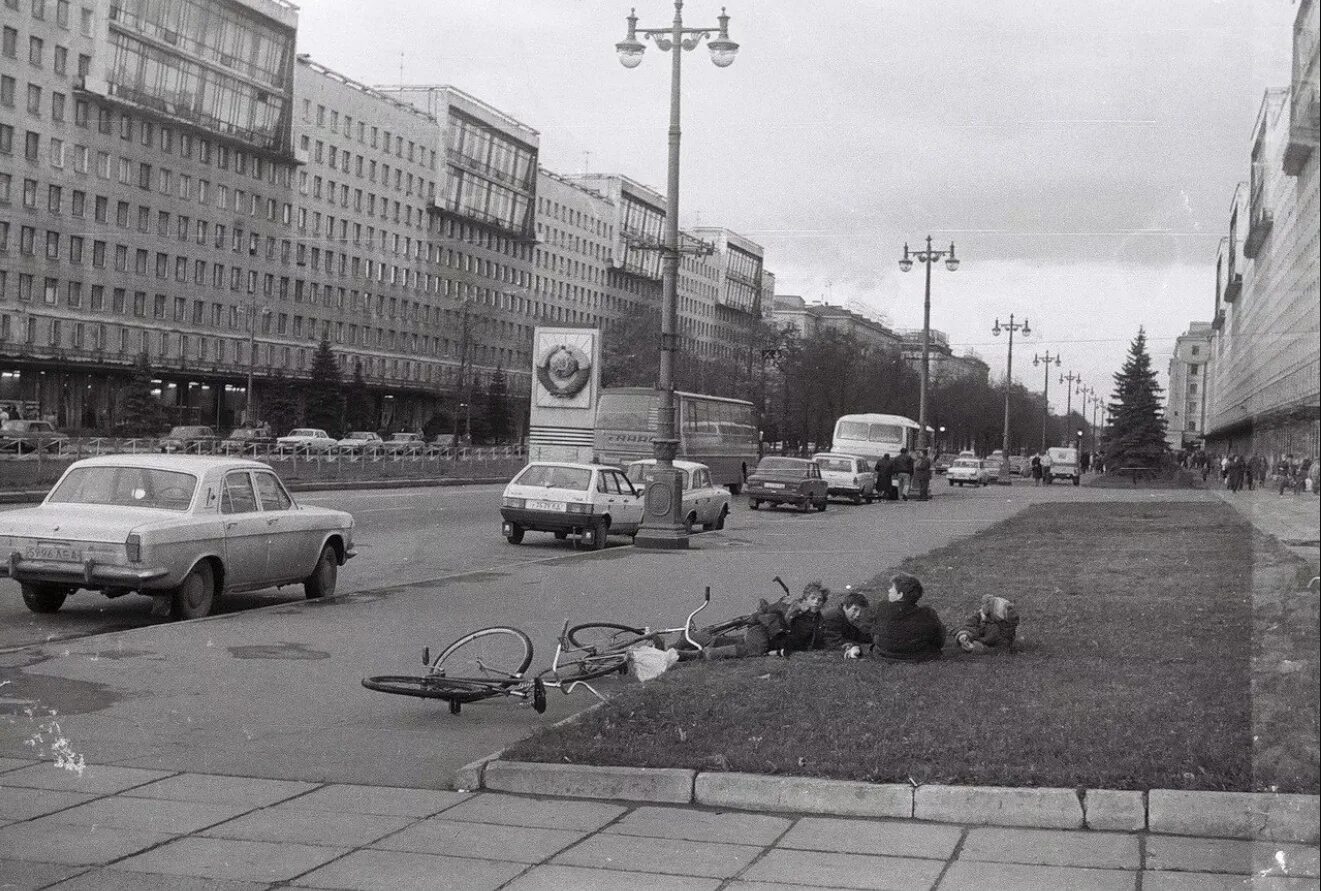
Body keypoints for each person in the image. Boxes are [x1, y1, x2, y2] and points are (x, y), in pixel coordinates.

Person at [698, 582, 831, 660]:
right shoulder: (794, 607)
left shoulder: (818, 620)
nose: (816, 602)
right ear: (806, 598)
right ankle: (709, 653)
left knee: (735, 641)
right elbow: (778, 617)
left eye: (820, 600)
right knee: (754, 650)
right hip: (765, 632)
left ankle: (695, 639)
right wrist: (792, 611)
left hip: (772, 639)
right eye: (813, 598)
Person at [871, 573, 946, 661]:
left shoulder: (882, 607)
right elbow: (939, 640)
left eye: (892, 588)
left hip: (885, 654)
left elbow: (874, 633)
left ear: (900, 595)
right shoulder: (927, 613)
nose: (889, 590)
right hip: (919, 655)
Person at [955, 595, 1019, 654]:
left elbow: (999, 650)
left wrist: (976, 648)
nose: (982, 610)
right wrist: (963, 635)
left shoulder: (1002, 633)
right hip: (972, 638)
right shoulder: (982, 616)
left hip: (980, 643)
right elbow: (969, 625)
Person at [821, 590, 871, 656]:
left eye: (861, 611)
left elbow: (858, 636)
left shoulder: (844, 616)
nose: (858, 614)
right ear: (845, 607)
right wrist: (856, 645)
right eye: (855, 609)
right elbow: (833, 643)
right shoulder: (833, 616)